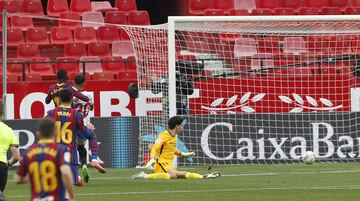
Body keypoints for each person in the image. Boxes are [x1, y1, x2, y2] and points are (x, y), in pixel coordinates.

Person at [47, 89, 106, 186]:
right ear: (72, 99)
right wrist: (89, 130)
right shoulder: (77, 115)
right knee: (91, 135)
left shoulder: (50, 113)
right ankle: (94, 160)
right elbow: (84, 132)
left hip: (53, 154)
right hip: (71, 156)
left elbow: (42, 132)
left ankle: (75, 177)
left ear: (59, 99)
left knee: (55, 185)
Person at [132, 116, 220, 180]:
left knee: (184, 174)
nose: (181, 127)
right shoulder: (163, 135)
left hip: (168, 164)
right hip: (161, 162)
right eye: (180, 126)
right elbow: (156, 146)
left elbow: (172, 150)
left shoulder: (173, 136)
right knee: (173, 176)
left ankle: (203, 176)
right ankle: (144, 176)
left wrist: (183, 154)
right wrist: (153, 158)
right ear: (177, 126)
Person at [14, 118, 75, 201]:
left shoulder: (28, 151)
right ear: (55, 131)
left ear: (38, 133)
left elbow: (17, 179)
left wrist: (36, 176)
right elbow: (66, 172)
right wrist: (71, 196)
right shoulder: (61, 149)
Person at [72, 75, 96, 182]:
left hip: (73, 126)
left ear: (74, 82)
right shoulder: (89, 95)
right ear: (84, 83)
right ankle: (84, 163)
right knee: (81, 146)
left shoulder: (72, 95)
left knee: (72, 148)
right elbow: (91, 107)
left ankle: (75, 172)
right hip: (85, 126)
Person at [0, 101, 19, 196]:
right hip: (2, 166)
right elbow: (16, 157)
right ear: (2, 113)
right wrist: (8, 163)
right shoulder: (9, 130)